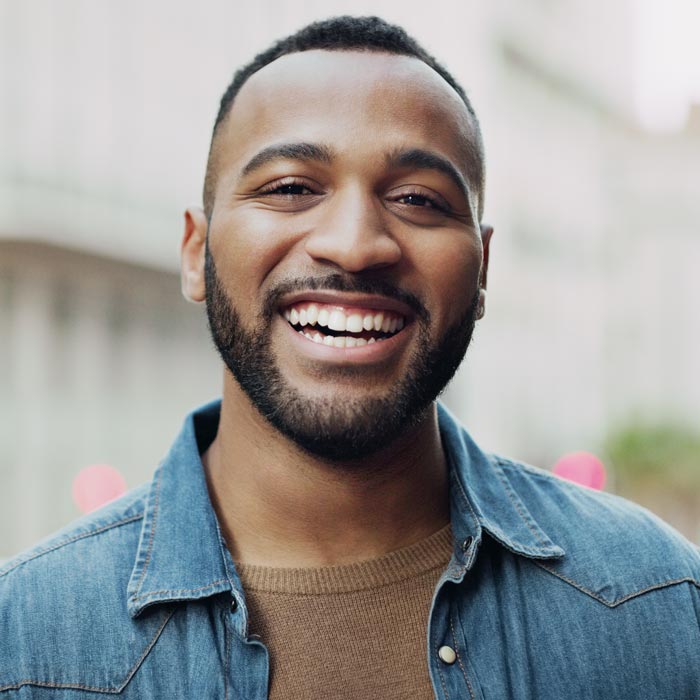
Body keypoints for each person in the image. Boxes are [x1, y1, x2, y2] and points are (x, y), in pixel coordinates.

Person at [1, 15, 699, 699]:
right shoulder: (24, 640)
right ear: (196, 253)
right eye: (291, 188)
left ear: (483, 268)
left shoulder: (660, 602)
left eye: (418, 199)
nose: (356, 244)